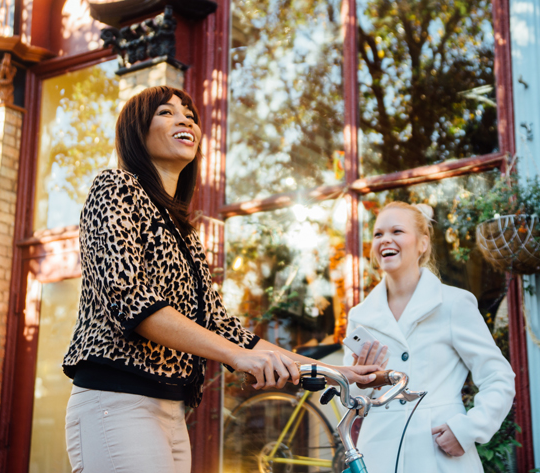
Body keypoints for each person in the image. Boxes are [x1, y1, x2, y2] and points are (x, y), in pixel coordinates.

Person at [62, 86, 379, 473]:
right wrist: (238, 358)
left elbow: (222, 327)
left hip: (172, 411)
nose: (185, 120)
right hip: (116, 401)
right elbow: (130, 301)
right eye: (166, 112)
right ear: (136, 132)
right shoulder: (114, 188)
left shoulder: (184, 231)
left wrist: (338, 373)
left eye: (190, 115)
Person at [343, 201, 515, 473]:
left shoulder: (453, 304)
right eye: (378, 234)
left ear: (423, 244)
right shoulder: (361, 315)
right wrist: (359, 379)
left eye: (397, 231)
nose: (385, 239)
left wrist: (468, 430)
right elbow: (349, 396)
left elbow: (498, 377)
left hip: (439, 451)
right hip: (379, 450)